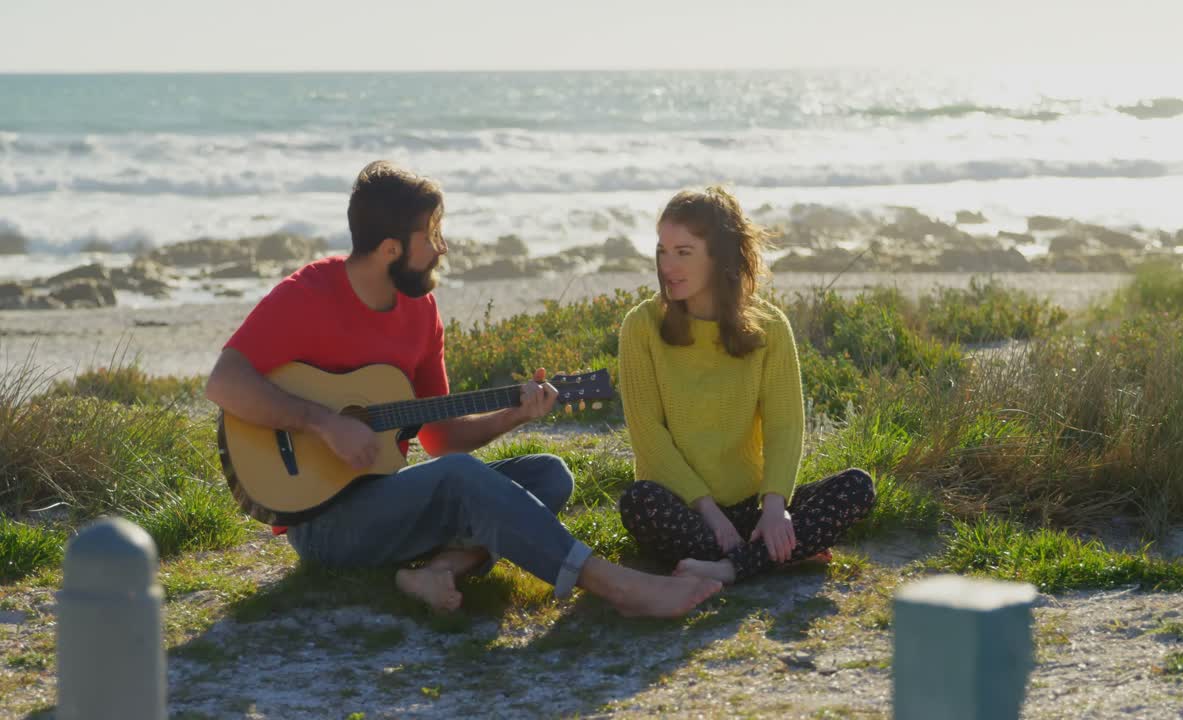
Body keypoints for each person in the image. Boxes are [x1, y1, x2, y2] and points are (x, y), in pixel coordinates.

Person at [204, 160, 720, 617]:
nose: (441, 247)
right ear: (391, 249)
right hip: (323, 523)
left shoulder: (420, 312)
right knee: (460, 479)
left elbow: (441, 440)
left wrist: (513, 415)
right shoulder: (308, 294)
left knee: (548, 474)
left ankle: (436, 571)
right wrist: (324, 422)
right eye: (431, 236)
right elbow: (224, 381)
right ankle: (616, 585)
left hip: (387, 498)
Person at [616, 186, 877, 585]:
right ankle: (775, 556)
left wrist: (775, 507)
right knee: (638, 503)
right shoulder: (641, 326)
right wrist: (708, 512)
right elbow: (648, 437)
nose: (668, 265)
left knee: (856, 486)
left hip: (751, 506)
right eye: (662, 250)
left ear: (719, 254)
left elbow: (785, 425)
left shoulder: (770, 326)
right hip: (685, 508)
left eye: (683, 252)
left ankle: (728, 566)